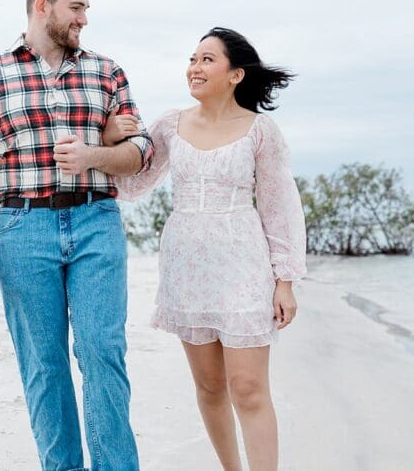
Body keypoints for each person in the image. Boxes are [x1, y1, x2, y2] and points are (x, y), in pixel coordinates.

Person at [0, 0, 153, 471]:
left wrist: (94, 155)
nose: (84, 19)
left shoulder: (107, 71)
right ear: (43, 6)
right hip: (23, 230)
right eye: (77, 7)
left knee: (103, 354)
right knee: (44, 366)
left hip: (95, 222)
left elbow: (141, 150)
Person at [105, 27, 306, 471]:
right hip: (186, 265)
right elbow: (134, 183)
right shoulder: (170, 125)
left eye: (207, 60)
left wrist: (285, 281)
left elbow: (279, 206)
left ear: (236, 74)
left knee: (249, 387)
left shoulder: (261, 131)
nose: (194, 68)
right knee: (211, 386)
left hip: (244, 264)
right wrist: (107, 142)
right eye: (192, 59)